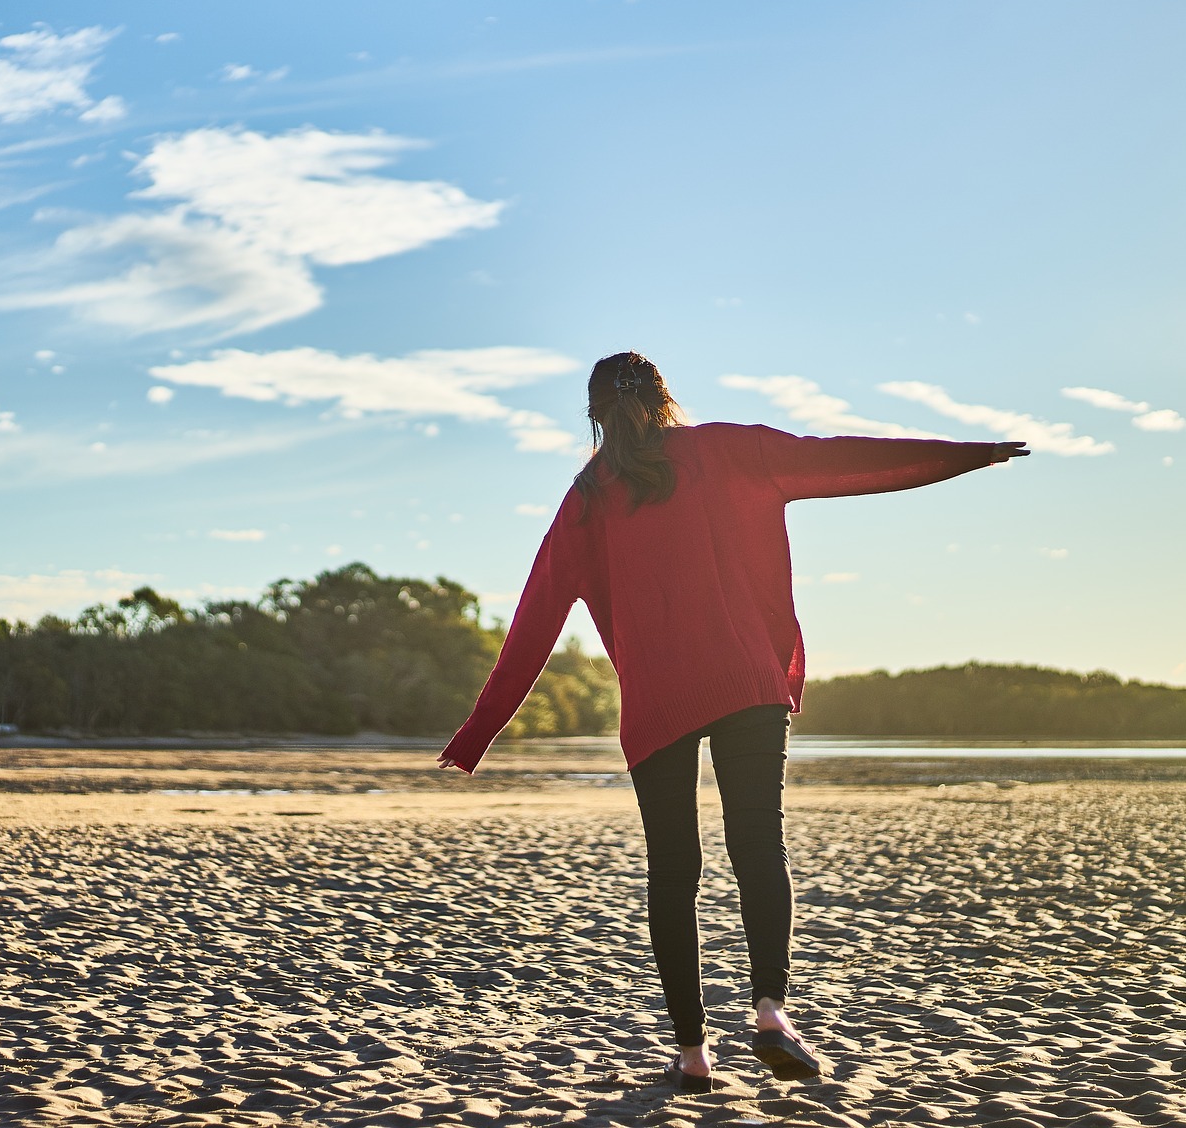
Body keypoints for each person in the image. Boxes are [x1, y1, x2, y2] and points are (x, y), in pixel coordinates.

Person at [437, 350, 1028, 1090]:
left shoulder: (587, 497)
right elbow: (848, 461)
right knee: (758, 846)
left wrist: (476, 735)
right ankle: (771, 1011)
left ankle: (691, 1054)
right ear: (665, 398)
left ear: (594, 416)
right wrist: (970, 455)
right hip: (747, 683)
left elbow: (535, 620)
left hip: (658, 701)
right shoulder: (729, 450)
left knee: (673, 873)